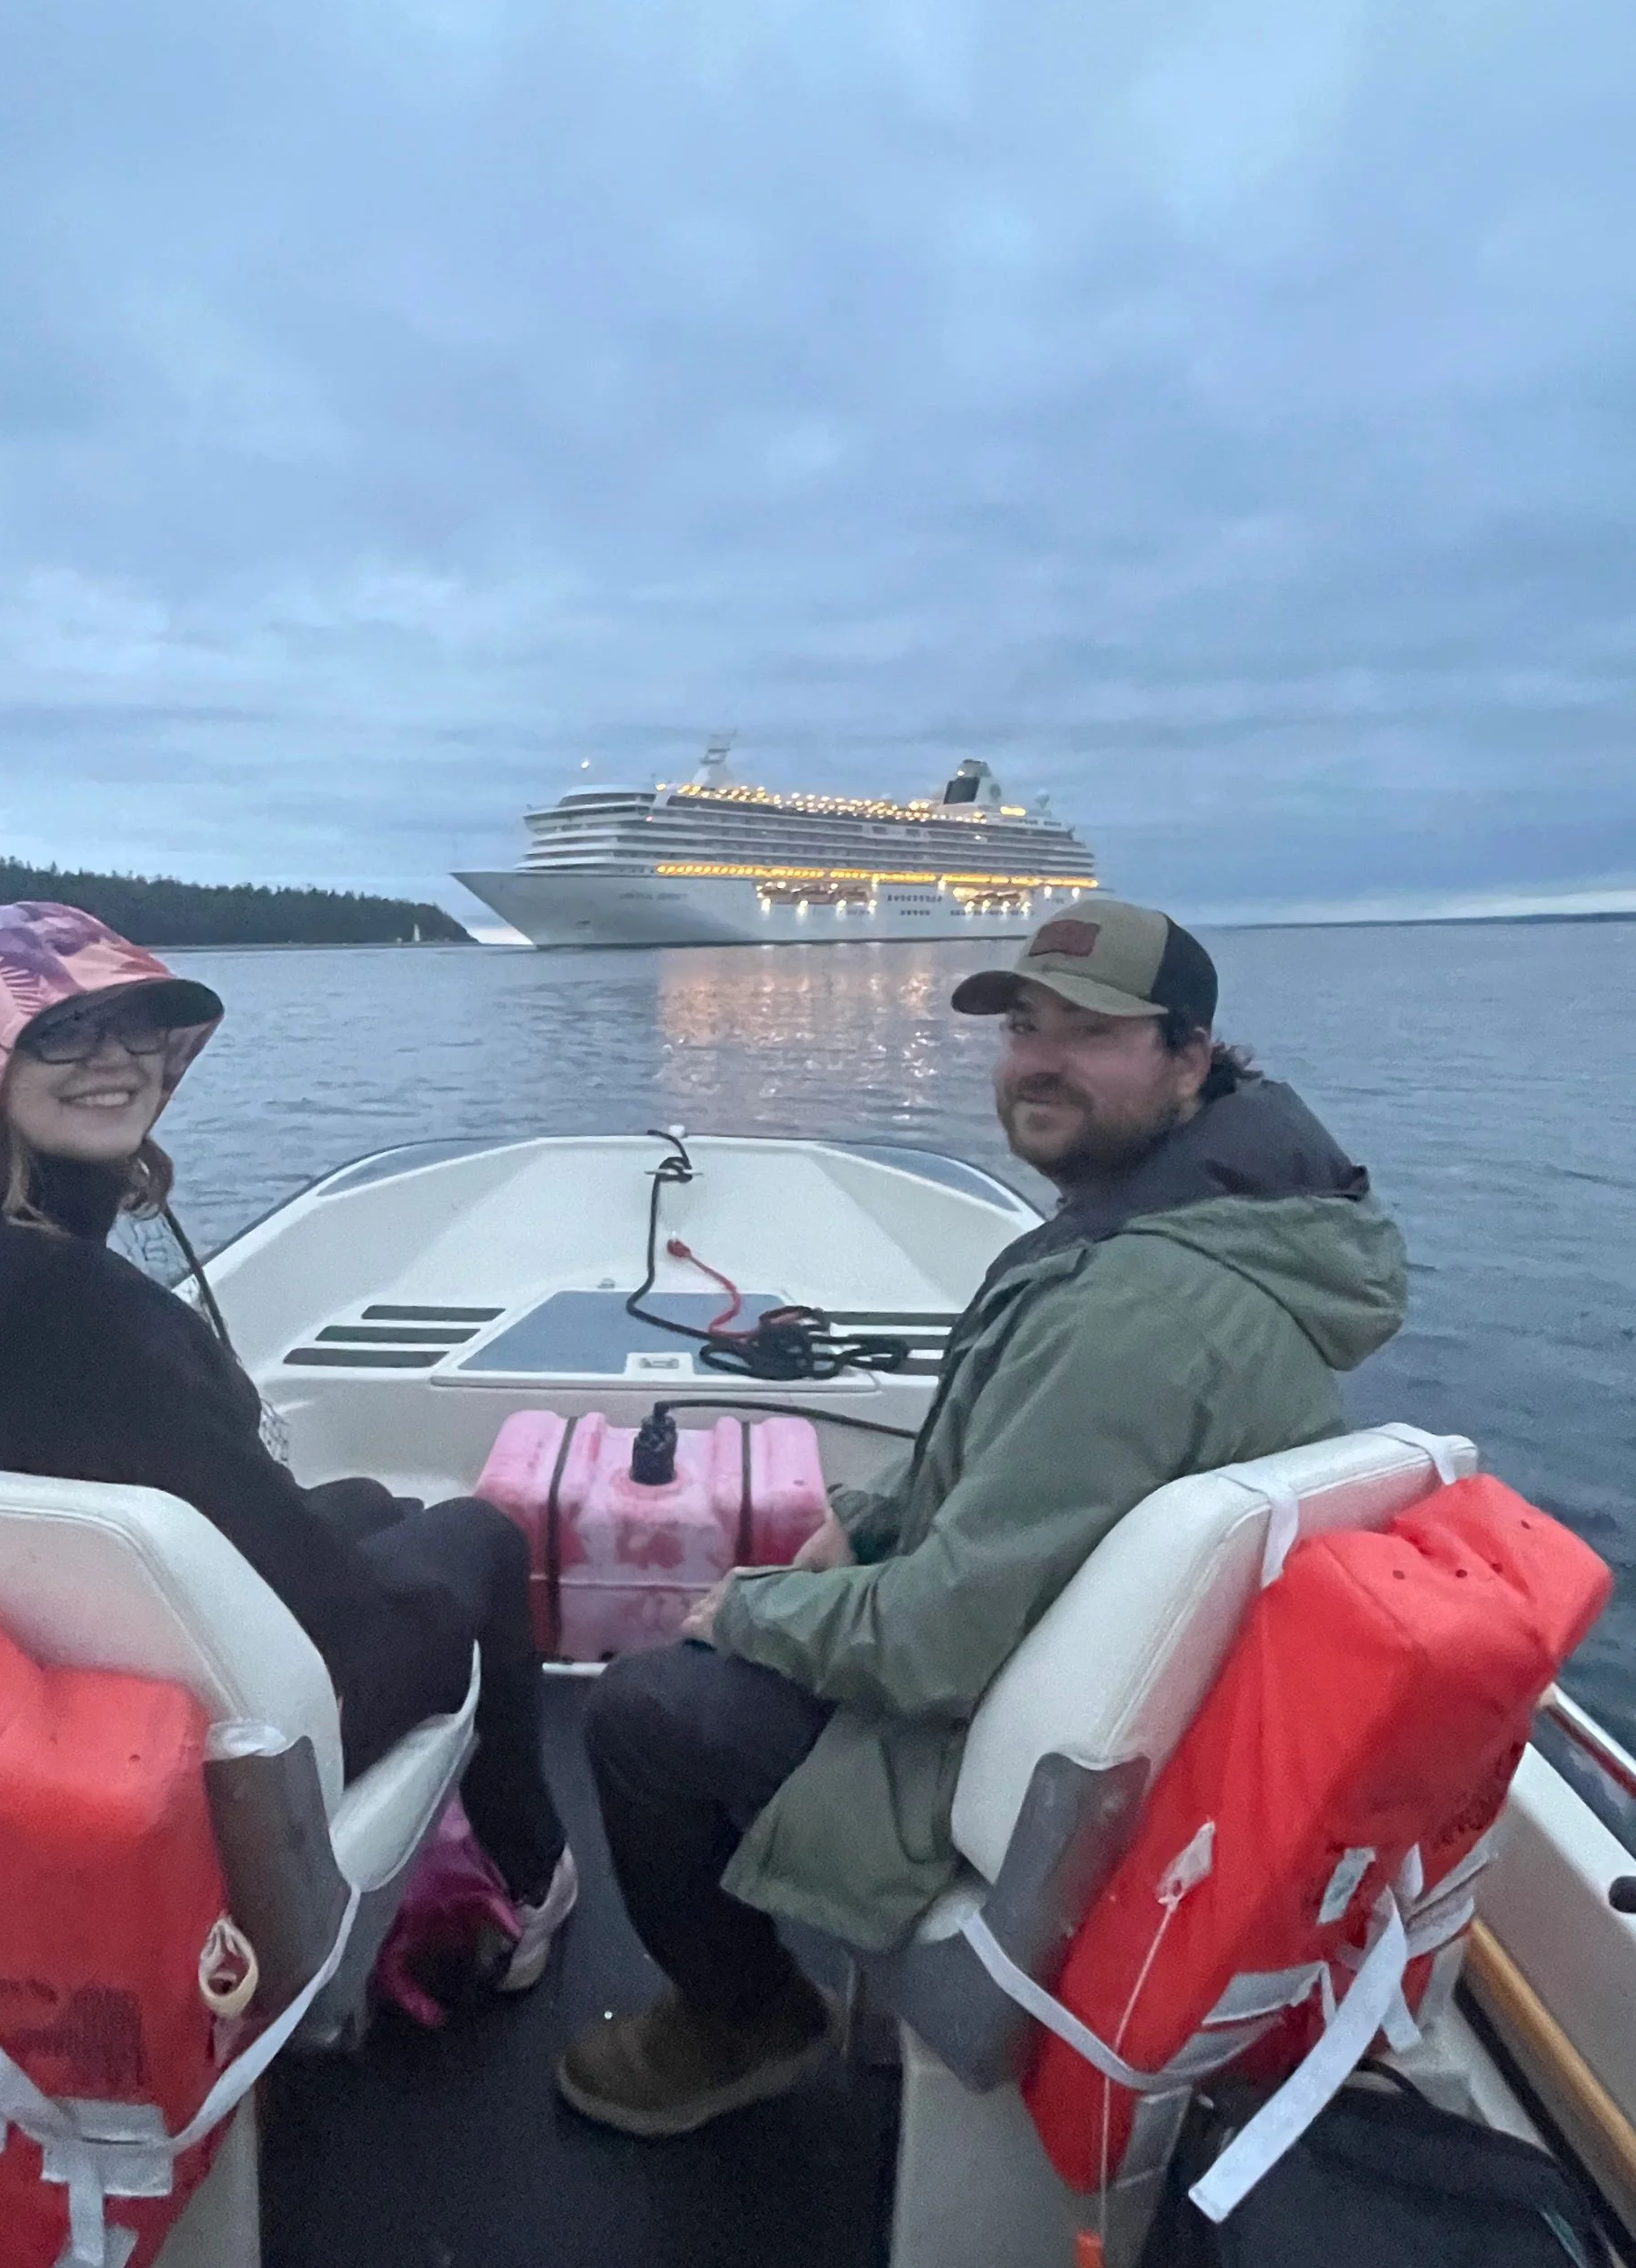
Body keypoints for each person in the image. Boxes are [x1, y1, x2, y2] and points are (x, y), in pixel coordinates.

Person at [558, 895, 1407, 2136]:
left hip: (1017, 1751)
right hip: (1096, 1685)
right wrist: (872, 1516)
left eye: (1090, 1032)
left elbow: (937, 1642)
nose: (1037, 1063)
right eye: (1023, 1027)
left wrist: (751, 1607)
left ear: (1190, 1054)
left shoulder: (1135, 1314)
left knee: (644, 1713)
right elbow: (1014, 1465)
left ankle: (745, 2021)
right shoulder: (1199, 1225)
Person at [0, 901, 576, 1988]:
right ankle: (534, 1872)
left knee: (377, 1505)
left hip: (39, 1702)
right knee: (480, 1537)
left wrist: (365, 1525)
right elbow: (324, 1610)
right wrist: (415, 1578)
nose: (117, 1059)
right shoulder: (89, 1314)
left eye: (134, 1029)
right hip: (241, 1743)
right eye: (62, 1032)